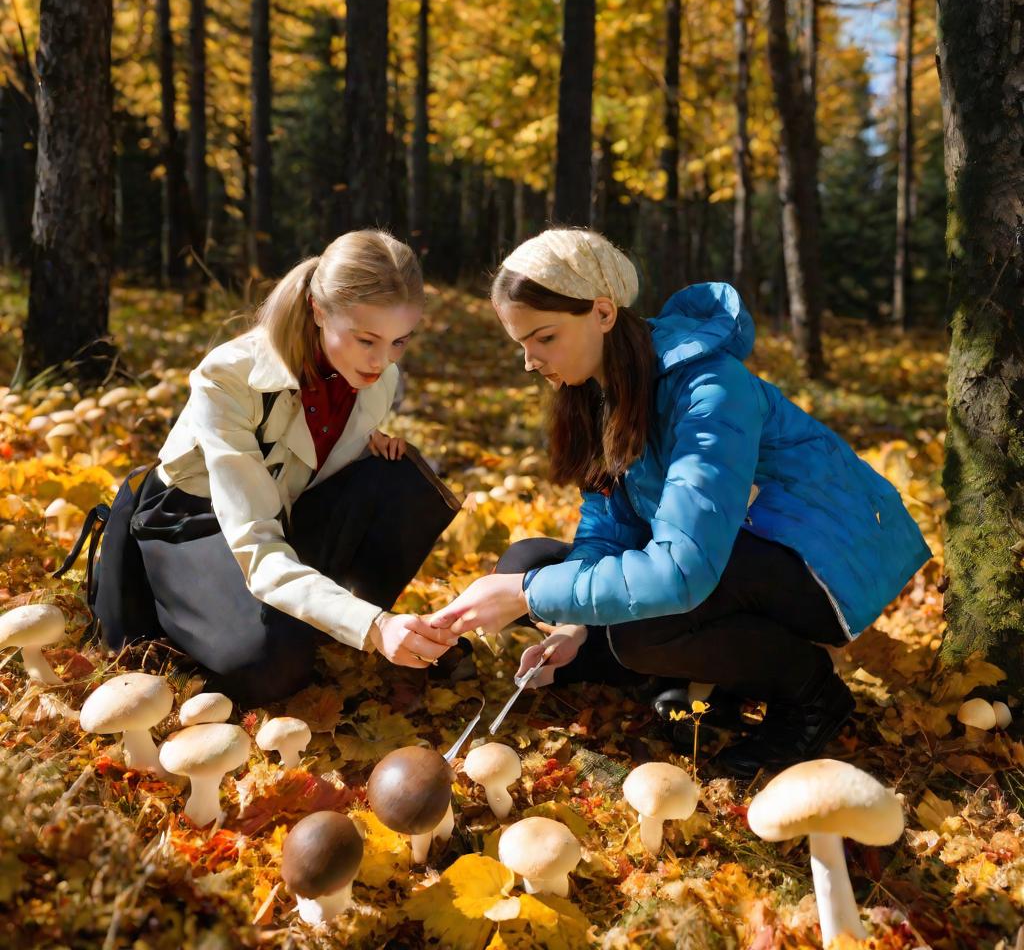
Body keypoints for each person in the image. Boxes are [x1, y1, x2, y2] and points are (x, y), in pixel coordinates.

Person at [427, 228, 931, 777]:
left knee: (634, 626)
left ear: (601, 312)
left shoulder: (711, 389)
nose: (530, 362)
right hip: (727, 550)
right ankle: (690, 675)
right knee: (526, 561)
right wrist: (567, 621)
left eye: (543, 338)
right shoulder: (596, 390)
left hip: (819, 561)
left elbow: (682, 572)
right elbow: (606, 526)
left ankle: (810, 693)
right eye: (521, 345)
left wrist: (531, 597)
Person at [90, 230, 460, 704]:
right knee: (269, 666)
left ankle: (325, 628)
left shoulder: (380, 378)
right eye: (367, 339)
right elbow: (257, 542)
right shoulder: (227, 376)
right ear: (318, 310)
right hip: (196, 521)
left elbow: (308, 457)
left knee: (400, 479)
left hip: (282, 511)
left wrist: (365, 449)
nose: (382, 360)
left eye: (399, 342)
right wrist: (372, 624)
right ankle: (180, 615)